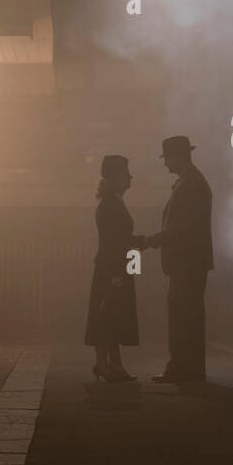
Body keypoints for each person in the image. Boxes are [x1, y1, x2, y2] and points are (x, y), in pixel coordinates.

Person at [142, 136, 213, 383]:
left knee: (181, 317)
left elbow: (179, 228)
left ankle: (182, 368)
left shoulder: (188, 184)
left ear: (178, 156)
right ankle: (189, 368)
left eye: (167, 158)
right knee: (188, 317)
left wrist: (151, 240)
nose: (165, 164)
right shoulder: (192, 181)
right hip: (191, 262)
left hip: (186, 262)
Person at [84, 155, 145, 382]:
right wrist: (117, 274)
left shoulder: (112, 202)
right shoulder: (111, 205)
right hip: (113, 268)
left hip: (112, 267)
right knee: (107, 315)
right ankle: (105, 364)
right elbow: (115, 242)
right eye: (125, 174)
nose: (130, 178)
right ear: (114, 177)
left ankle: (112, 364)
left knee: (111, 315)